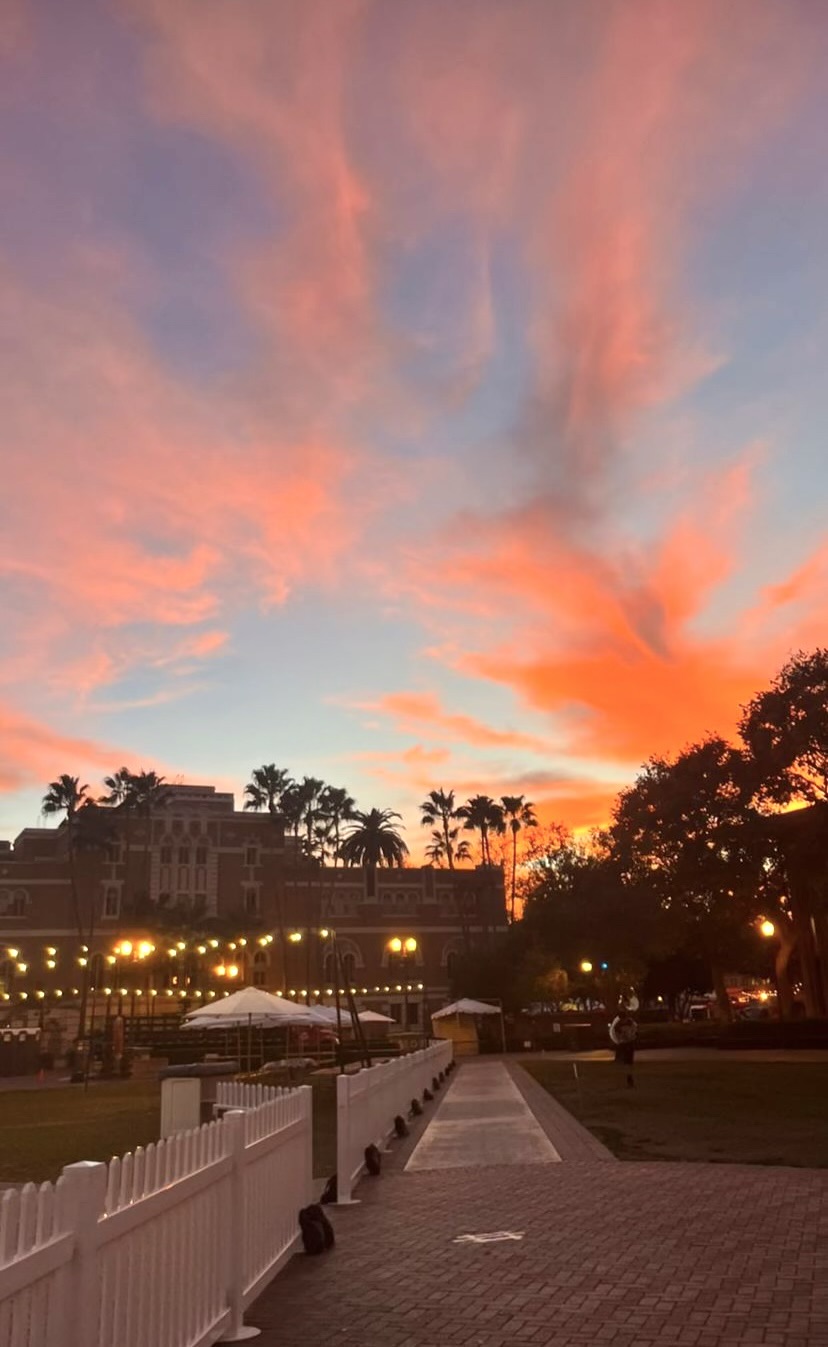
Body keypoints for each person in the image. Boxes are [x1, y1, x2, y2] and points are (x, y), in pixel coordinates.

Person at [609, 1008, 637, 1087]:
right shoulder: (619, 1026)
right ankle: (627, 1077)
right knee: (626, 1062)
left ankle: (629, 1077)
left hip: (628, 1043)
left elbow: (634, 1032)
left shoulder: (629, 1023)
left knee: (628, 1062)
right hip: (625, 1044)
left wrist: (629, 1037)